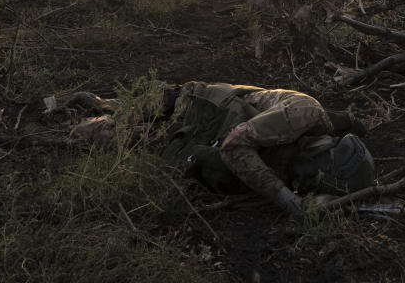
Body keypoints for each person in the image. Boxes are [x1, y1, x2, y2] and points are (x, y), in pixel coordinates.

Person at [160, 82, 375, 213]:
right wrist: (287, 199)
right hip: (187, 102)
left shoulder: (288, 166)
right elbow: (233, 146)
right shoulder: (306, 113)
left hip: (182, 133)